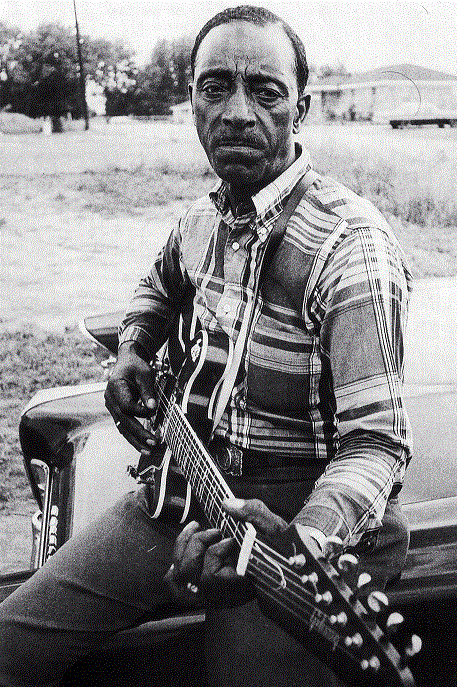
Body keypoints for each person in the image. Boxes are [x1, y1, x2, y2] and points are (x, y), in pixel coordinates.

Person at [0, 6, 413, 687]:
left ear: (301, 108)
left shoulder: (350, 247)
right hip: (174, 492)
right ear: (191, 100)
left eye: (265, 91)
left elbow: (377, 444)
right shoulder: (202, 218)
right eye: (215, 87)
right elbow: (157, 285)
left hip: (283, 527)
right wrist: (135, 345)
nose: (238, 113)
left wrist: (301, 540)